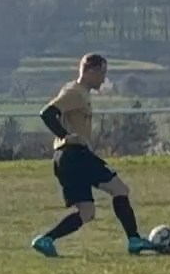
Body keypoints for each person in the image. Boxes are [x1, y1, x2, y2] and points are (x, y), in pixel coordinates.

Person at [30, 53, 154, 256]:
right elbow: (47, 113)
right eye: (102, 73)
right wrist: (66, 136)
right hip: (75, 155)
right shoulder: (75, 92)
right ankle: (134, 240)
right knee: (120, 189)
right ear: (90, 71)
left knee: (86, 213)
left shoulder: (80, 92)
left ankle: (46, 240)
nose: (104, 79)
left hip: (66, 159)